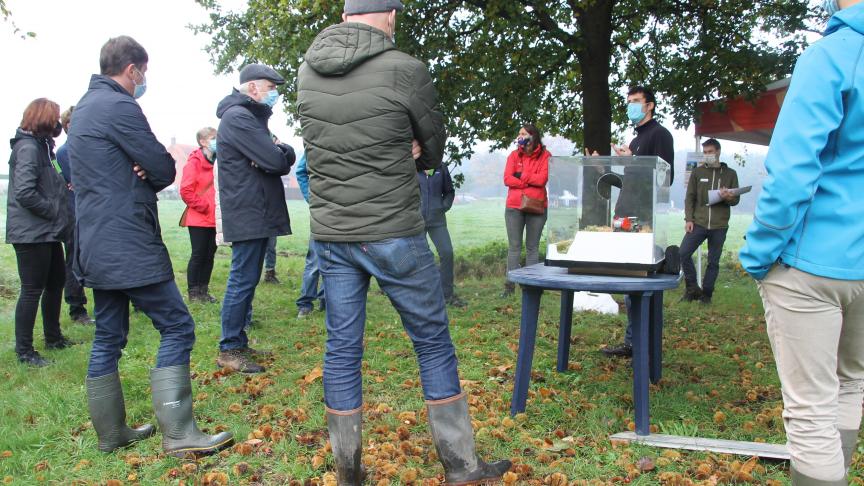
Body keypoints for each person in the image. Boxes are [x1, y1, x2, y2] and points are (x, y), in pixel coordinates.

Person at [297, 1, 511, 483]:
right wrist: (407, 145)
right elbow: (432, 148)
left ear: (346, 14)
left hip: (333, 233)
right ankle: (462, 466)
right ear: (390, 14)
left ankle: (349, 472)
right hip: (392, 226)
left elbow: (324, 144)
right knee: (433, 343)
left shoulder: (307, 71)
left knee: (341, 349)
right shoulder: (406, 69)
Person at [68, 36, 233, 456]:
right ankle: (179, 435)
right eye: (145, 72)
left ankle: (112, 433)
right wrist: (141, 167)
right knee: (177, 325)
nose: (145, 80)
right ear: (133, 70)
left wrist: (133, 166)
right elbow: (162, 168)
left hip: (94, 240)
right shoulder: (121, 106)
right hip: (129, 240)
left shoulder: (84, 108)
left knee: (108, 336)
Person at [740, 2, 864, 484]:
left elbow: (792, 173)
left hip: (812, 263)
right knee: (851, 385)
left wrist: (759, 253)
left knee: (811, 410)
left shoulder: (832, 55)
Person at [215, 63, 295, 373]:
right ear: (252, 88)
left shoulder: (249, 118)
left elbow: (281, 153)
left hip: (255, 209)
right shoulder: (239, 118)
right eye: (271, 88)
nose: (274, 95)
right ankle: (230, 348)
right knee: (242, 280)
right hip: (249, 210)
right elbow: (276, 160)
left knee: (246, 280)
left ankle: (238, 340)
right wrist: (277, 152)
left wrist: (280, 150)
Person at [601, 85, 674, 358]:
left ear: (650, 105)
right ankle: (632, 342)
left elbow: (665, 177)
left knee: (643, 282)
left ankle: (646, 344)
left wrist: (635, 160)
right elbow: (633, 179)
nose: (631, 105)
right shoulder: (635, 140)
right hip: (626, 214)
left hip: (644, 218)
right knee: (629, 280)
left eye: (636, 101)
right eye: (628, 101)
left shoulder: (660, 135)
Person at [6, 98, 77, 367]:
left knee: (56, 281)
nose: (59, 122)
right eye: (56, 117)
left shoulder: (43, 148)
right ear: (44, 118)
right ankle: (24, 351)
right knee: (32, 289)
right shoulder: (27, 148)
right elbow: (24, 192)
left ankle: (54, 337)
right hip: (30, 233)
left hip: (47, 231)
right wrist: (52, 210)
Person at [679, 139, 739, 304]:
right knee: (683, 253)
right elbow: (689, 197)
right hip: (698, 222)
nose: (707, 155)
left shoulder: (730, 174)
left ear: (718, 152)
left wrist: (728, 197)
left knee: (713, 261)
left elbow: (736, 200)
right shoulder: (697, 172)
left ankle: (707, 295)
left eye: (710, 152)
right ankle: (692, 288)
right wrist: (689, 219)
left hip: (719, 225)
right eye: (705, 153)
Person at [502, 124, 550, 297]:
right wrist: (527, 182)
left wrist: (521, 176)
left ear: (532, 136)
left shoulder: (546, 156)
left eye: (523, 133)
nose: (519, 136)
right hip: (514, 207)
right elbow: (507, 179)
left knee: (532, 248)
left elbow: (542, 179)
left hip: (536, 206)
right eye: (519, 133)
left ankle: (531, 287)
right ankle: (510, 287)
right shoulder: (514, 155)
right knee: (514, 247)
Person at [56, 106, 94, 324]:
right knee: (74, 259)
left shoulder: (86, 148)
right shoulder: (65, 152)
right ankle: (76, 308)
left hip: (89, 211)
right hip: (73, 214)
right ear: (69, 125)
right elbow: (82, 182)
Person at [180, 127, 218, 304]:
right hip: (199, 217)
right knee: (198, 254)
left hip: (214, 217)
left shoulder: (217, 161)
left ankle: (204, 290)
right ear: (203, 141)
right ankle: (194, 292)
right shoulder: (193, 162)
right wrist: (203, 206)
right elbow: (186, 190)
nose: (216, 140)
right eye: (213, 138)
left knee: (210, 253)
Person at [418, 165, 464, 307]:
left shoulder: (440, 167)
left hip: (437, 220)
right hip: (416, 221)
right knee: (419, 256)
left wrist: (442, 206)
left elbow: (449, 192)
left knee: (447, 253)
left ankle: (447, 295)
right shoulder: (411, 167)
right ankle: (421, 294)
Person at [294, 153, 325, 318]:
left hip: (346, 211)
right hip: (322, 210)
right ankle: (305, 303)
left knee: (338, 258)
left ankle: (326, 300)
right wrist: (312, 199)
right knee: (314, 261)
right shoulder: (317, 141)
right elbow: (300, 172)